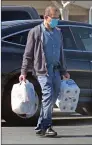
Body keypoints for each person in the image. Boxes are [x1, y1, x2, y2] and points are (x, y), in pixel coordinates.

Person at [19, 6, 70, 137]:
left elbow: (61, 52)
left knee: (52, 98)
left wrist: (64, 70)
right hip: (43, 71)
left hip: (56, 71)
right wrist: (24, 71)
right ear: (46, 17)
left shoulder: (58, 32)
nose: (56, 21)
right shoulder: (36, 32)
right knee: (47, 96)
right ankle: (47, 126)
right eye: (54, 18)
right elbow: (28, 54)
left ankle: (40, 126)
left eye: (57, 18)